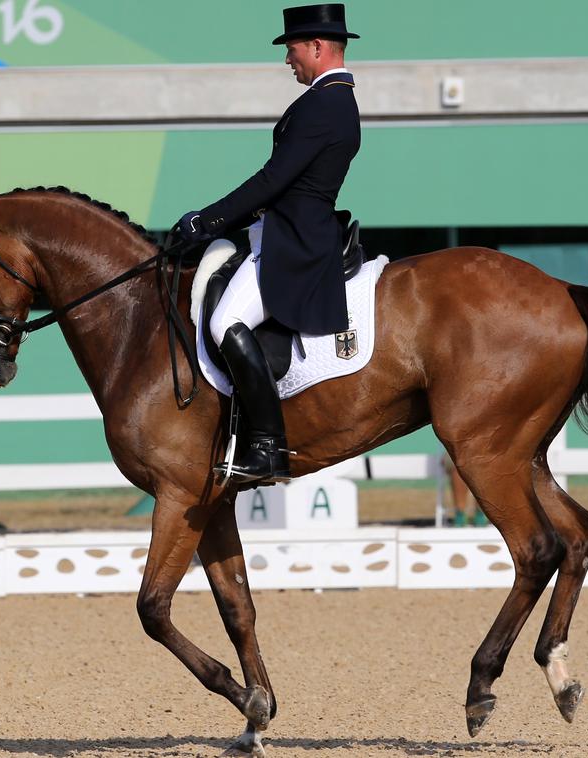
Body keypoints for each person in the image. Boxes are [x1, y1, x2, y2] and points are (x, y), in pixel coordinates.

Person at [176, 3, 362, 485]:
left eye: (293, 49)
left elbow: (273, 180)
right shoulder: (333, 99)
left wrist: (208, 219)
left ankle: (267, 446)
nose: (288, 60)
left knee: (224, 322)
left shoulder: (325, 103)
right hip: (279, 232)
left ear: (318, 48)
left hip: (295, 243)